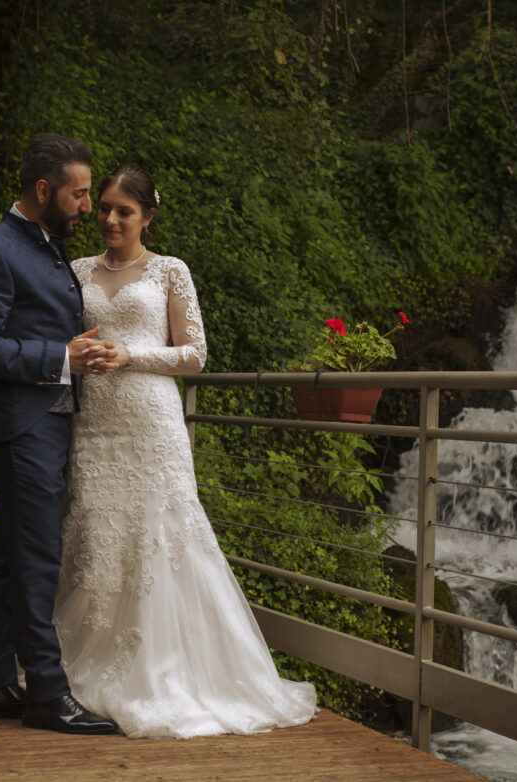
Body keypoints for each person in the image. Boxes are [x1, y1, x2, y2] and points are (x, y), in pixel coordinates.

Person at [53, 166, 317, 738]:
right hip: (94, 421)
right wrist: (76, 350)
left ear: (148, 216)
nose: (110, 219)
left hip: (150, 420)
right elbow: (63, 339)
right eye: (103, 208)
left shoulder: (170, 271)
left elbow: (195, 354)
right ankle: (82, 666)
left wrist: (132, 356)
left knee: (161, 534)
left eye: (124, 210)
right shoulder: (74, 272)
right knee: (97, 534)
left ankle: (168, 671)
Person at [0, 133, 120, 735]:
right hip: (25, 425)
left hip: (47, 423)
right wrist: (61, 358)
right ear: (44, 190)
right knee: (36, 559)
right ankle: (48, 694)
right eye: (79, 194)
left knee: (6, 557)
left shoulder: (49, 246)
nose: (89, 206)